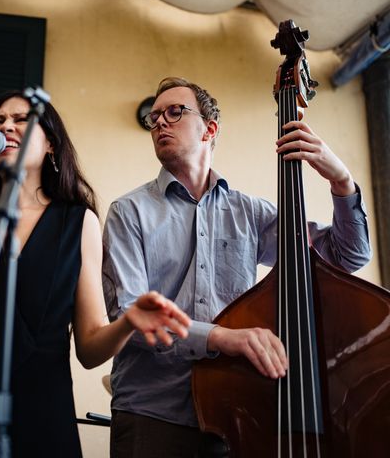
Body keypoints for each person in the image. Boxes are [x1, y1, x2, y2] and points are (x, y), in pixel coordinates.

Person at [102, 77, 372, 458]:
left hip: (235, 411)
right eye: (155, 116)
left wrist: (341, 180)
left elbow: (346, 257)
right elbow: (129, 315)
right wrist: (222, 337)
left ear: (209, 129)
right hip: (153, 412)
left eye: (175, 112)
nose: (160, 121)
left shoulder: (251, 214)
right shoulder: (128, 212)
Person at [0, 90, 192, 457]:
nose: (7, 127)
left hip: (42, 412)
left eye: (20, 120)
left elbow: (90, 349)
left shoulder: (77, 223)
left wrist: (127, 323)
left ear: (50, 144)